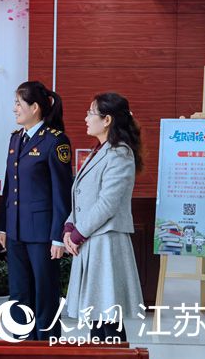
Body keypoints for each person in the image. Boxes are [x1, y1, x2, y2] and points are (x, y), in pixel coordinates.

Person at [63, 93, 144, 341]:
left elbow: (107, 203)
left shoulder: (120, 154)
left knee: (109, 318)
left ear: (107, 120)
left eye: (91, 113)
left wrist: (78, 233)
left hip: (106, 243)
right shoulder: (100, 151)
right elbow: (84, 197)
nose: (86, 118)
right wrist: (69, 225)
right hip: (92, 240)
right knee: (97, 317)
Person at [0, 81, 72, 340]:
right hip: (16, 231)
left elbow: (62, 193)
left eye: (19, 103)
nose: (14, 109)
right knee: (19, 295)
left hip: (42, 234)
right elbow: (10, 186)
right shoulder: (16, 138)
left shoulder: (55, 141)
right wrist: (4, 226)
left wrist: (58, 236)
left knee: (45, 295)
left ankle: (48, 348)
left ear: (35, 107)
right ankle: (23, 345)